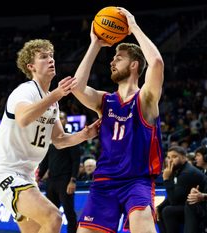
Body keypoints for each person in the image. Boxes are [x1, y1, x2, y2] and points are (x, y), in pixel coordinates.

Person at [0, 39, 100, 233]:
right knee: (54, 217)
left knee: (39, 228)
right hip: (6, 172)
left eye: (52, 56)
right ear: (31, 66)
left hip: (28, 175)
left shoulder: (52, 104)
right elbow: (23, 118)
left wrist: (84, 134)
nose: (51, 60)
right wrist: (56, 94)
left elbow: (59, 140)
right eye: (44, 57)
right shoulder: (25, 91)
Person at [72, 7, 164, 233]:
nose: (112, 62)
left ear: (134, 65)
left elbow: (157, 63)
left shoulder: (146, 99)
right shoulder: (105, 100)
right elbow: (77, 87)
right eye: (113, 58)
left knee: (144, 227)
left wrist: (132, 26)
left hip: (137, 181)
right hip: (104, 182)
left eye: (119, 58)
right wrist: (94, 44)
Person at [37, 111, 81, 233]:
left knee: (69, 213)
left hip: (65, 181)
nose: (60, 120)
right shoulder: (49, 139)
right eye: (58, 118)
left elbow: (76, 161)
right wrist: (38, 177)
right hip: (51, 181)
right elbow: (45, 162)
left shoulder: (71, 137)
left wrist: (73, 180)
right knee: (50, 214)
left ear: (66, 121)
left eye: (62, 118)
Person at [156, 146, 206, 233]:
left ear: (184, 158)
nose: (170, 160)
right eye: (168, 157)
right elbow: (174, 195)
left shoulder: (187, 173)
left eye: (174, 157)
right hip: (187, 205)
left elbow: (174, 201)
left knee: (168, 211)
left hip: (200, 207)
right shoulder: (178, 170)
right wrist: (159, 207)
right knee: (159, 210)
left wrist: (166, 179)